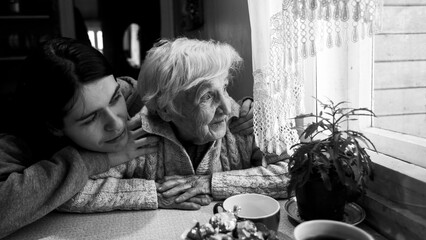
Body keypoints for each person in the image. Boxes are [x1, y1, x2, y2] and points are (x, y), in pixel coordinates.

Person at [0, 37, 253, 238]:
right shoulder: (16, 141)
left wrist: (246, 110)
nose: (117, 122)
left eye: (114, 98)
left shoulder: (134, 96)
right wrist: (95, 161)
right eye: (90, 119)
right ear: (55, 127)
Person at [57, 37, 289, 214]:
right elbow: (68, 193)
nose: (227, 108)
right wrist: (152, 194)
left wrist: (210, 183)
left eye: (225, 88)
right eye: (207, 96)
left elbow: (294, 174)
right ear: (167, 109)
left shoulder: (244, 122)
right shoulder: (137, 133)